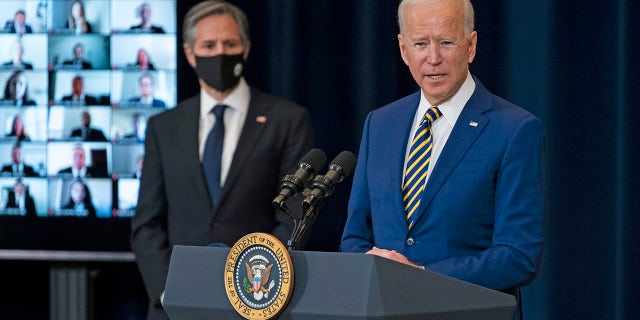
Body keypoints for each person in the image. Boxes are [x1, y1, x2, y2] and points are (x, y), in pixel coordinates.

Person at [339, 1, 544, 319]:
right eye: (421, 43)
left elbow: (518, 256)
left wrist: (419, 274)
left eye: (446, 42)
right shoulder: (379, 124)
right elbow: (354, 237)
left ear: (471, 45)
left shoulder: (514, 129)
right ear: (404, 49)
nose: (433, 58)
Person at [130, 1, 314, 318]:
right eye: (208, 45)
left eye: (229, 44)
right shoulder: (163, 126)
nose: (219, 53)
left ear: (245, 48)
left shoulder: (288, 120)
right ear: (190, 54)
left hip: (258, 300)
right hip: (174, 306)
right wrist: (168, 290)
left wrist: (256, 290)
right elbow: (147, 223)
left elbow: (293, 218)